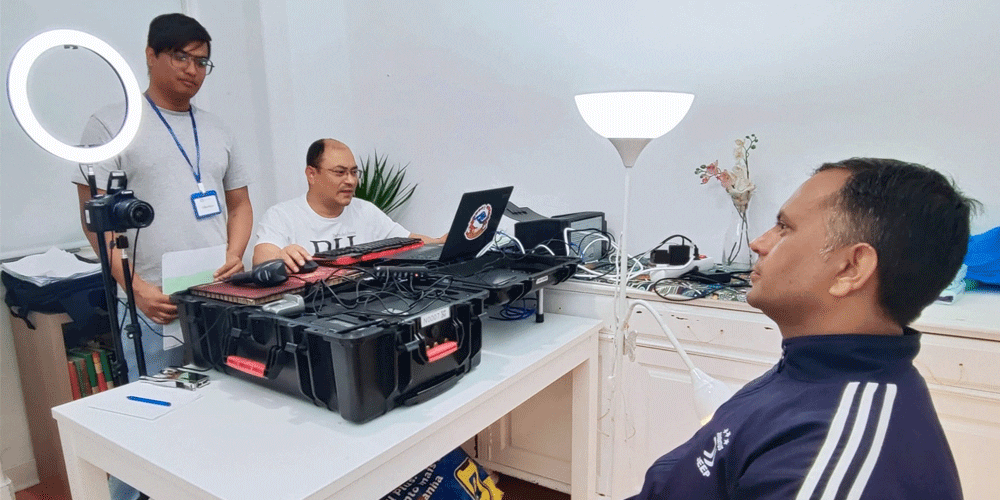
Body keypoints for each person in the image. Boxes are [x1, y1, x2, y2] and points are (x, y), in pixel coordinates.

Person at [630, 158, 976, 499]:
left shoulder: (833, 459)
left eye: (785, 227)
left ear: (851, 268)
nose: (759, 243)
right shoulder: (811, 368)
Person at [74, 13, 253, 383]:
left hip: (216, 293)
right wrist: (136, 288)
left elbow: (239, 203)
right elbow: (94, 219)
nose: (192, 69)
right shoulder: (112, 125)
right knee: (160, 400)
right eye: (180, 56)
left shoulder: (217, 129)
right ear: (150, 55)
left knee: (230, 393)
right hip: (153, 302)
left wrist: (235, 254)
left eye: (201, 62)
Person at [253, 138, 441, 271]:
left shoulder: (365, 211)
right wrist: (280, 256)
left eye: (354, 172)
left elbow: (410, 241)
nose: (350, 181)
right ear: (312, 174)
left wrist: (443, 241)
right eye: (340, 172)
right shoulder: (282, 215)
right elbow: (261, 258)